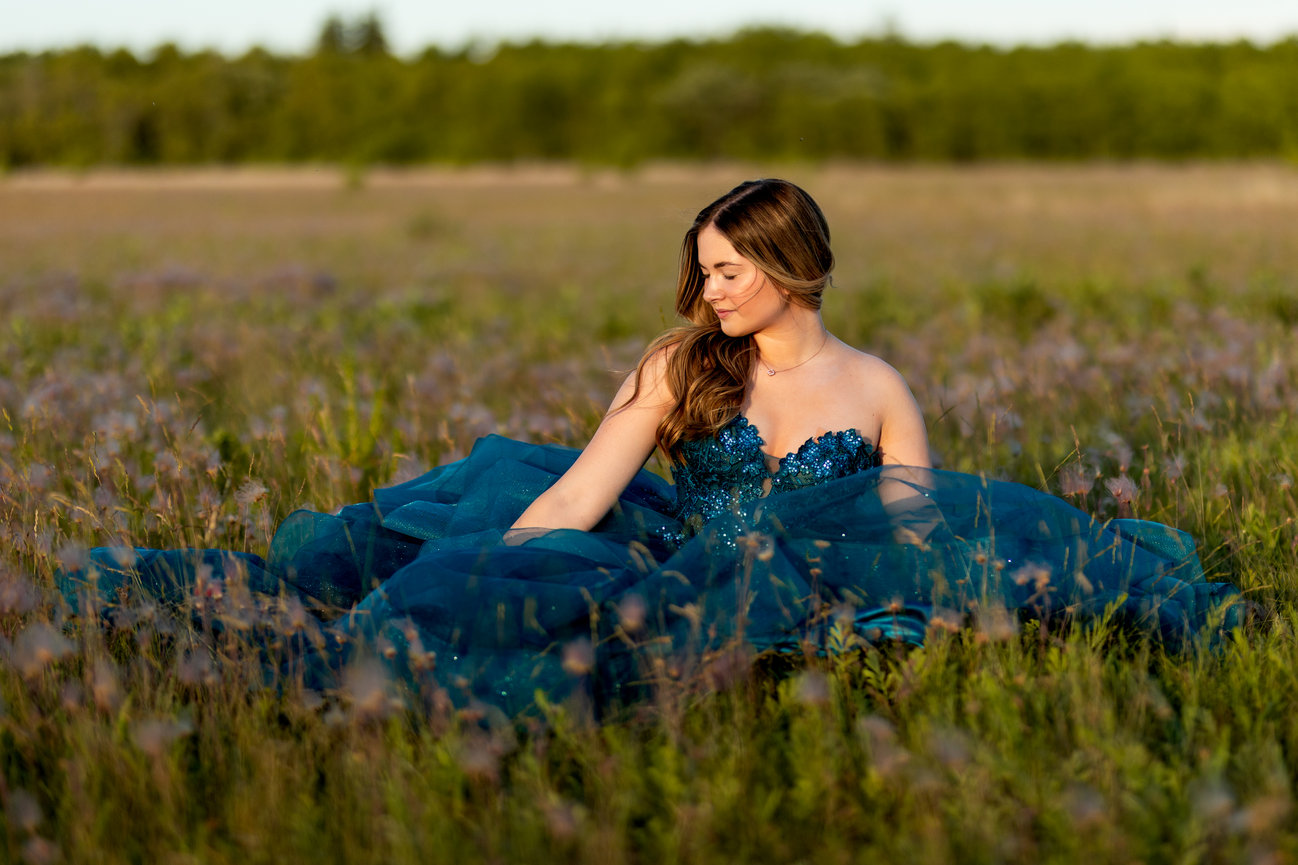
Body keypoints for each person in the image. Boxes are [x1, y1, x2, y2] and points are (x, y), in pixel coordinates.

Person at [62, 179, 1240, 717]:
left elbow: (916, 522)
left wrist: (941, 594)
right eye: (703, 269)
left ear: (791, 268)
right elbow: (581, 492)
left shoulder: (874, 382)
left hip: (826, 571)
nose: (709, 288)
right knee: (502, 590)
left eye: (729, 269)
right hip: (683, 552)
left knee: (1050, 562)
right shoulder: (679, 364)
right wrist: (489, 560)